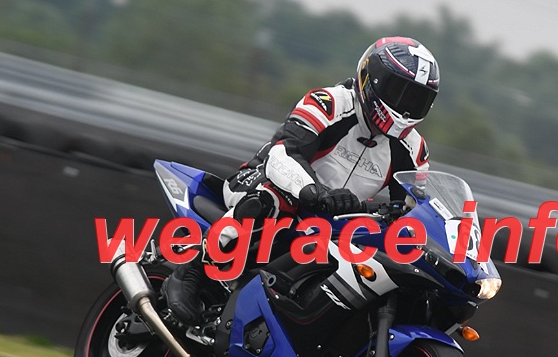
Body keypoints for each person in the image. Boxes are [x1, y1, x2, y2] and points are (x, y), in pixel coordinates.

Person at [163, 36, 440, 324]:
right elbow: (284, 154)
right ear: (371, 78)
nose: (405, 107)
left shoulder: (414, 150)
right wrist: (316, 193)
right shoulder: (329, 103)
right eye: (399, 92)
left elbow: (414, 210)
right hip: (263, 181)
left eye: (416, 100)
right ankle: (192, 271)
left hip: (332, 221)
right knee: (271, 199)